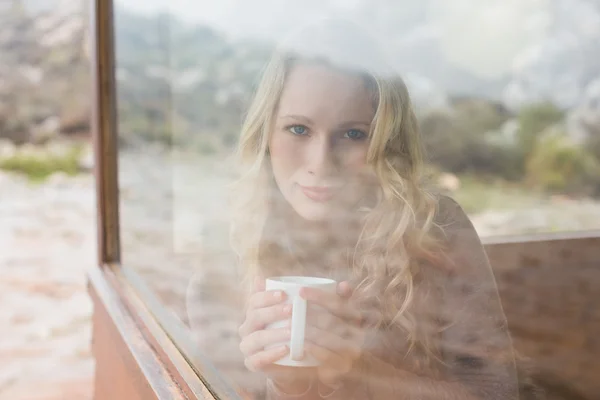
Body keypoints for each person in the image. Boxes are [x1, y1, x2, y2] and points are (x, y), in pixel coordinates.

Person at [190, 18, 528, 400]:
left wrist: (355, 371)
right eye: (298, 129)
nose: (321, 162)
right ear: (265, 132)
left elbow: (498, 394)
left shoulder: (435, 226)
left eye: (353, 134)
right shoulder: (229, 244)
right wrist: (289, 383)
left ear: (387, 142)